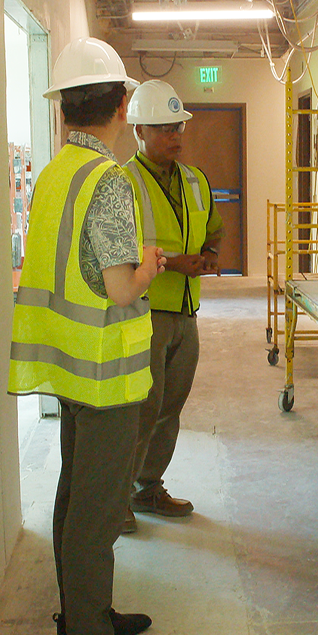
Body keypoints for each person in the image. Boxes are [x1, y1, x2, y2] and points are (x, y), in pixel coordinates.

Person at [8, 37, 168, 635]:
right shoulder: (108, 180)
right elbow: (120, 284)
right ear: (123, 104)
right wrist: (151, 265)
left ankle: (84, 612)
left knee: (75, 495)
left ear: (64, 108)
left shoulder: (54, 173)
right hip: (105, 370)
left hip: (70, 366)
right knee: (96, 510)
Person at [119, 80, 223, 534]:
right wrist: (170, 262)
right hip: (145, 312)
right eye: (163, 128)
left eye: (178, 126)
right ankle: (118, 496)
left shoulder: (196, 180)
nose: (174, 136)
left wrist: (211, 256)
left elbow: (214, 229)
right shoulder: (123, 182)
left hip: (186, 314)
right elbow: (117, 254)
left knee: (171, 407)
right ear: (139, 129)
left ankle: (148, 487)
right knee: (142, 408)